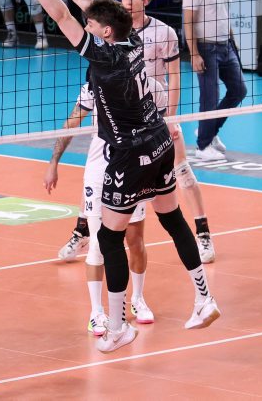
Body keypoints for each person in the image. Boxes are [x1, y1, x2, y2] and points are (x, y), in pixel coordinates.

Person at [18, 0, 220, 352]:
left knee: (109, 239)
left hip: (129, 153)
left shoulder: (105, 56)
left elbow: (63, 15)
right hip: (159, 141)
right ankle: (204, 298)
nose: (86, 25)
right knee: (172, 219)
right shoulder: (132, 41)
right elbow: (85, 3)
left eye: (92, 26)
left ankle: (117, 327)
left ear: (104, 32)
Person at [59, 0, 216, 264]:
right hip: (120, 114)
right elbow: (85, 4)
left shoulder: (160, 32)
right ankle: (82, 230)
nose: (129, 2)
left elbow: (174, 77)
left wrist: (171, 118)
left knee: (182, 172)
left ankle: (203, 232)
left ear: (145, 0)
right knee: (97, 173)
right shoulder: (117, 30)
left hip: (155, 112)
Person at [45, 79, 160, 336]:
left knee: (135, 240)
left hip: (131, 171)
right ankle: (96, 312)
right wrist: (53, 162)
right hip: (98, 175)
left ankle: (138, 299)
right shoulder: (93, 87)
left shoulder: (141, 83)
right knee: (98, 244)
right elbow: (71, 123)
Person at [182, 0, 247, 161]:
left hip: (226, 45)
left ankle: (208, 130)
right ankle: (202, 147)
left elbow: (224, 13)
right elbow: (188, 21)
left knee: (239, 90)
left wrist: (233, 42)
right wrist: (194, 54)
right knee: (210, 97)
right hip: (206, 47)